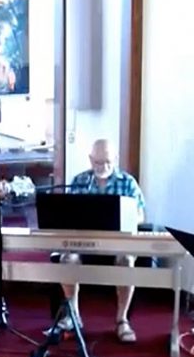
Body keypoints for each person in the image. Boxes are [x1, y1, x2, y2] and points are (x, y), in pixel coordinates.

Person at [53, 139, 146, 343]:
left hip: (118, 243)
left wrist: (125, 218)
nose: (102, 167)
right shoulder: (79, 181)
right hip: (84, 242)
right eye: (97, 162)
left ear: (115, 159)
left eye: (107, 162)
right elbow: (68, 215)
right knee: (67, 258)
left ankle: (122, 320)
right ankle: (74, 316)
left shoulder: (127, 182)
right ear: (90, 159)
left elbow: (140, 215)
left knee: (127, 260)